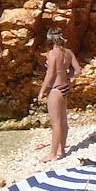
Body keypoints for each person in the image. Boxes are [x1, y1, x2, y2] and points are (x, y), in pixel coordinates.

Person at [36, 28, 82, 163]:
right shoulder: (69, 52)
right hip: (65, 87)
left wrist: (42, 91)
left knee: (56, 123)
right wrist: (67, 76)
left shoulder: (52, 54)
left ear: (50, 39)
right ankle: (62, 150)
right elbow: (78, 71)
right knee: (63, 121)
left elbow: (50, 74)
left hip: (56, 89)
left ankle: (53, 154)